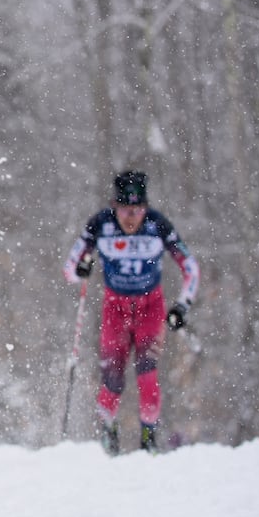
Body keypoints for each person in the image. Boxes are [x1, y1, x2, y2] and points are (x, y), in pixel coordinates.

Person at [64, 170, 199, 455]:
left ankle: (148, 439)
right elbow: (69, 270)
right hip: (115, 308)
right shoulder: (100, 224)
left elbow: (190, 267)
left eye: (137, 210)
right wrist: (80, 270)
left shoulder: (157, 225)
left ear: (145, 208)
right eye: (125, 210)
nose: (131, 218)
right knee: (112, 379)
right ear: (115, 206)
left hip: (151, 307)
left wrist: (182, 305)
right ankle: (107, 435)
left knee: (147, 374)